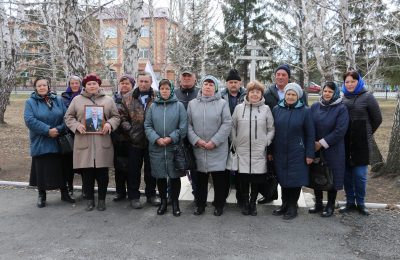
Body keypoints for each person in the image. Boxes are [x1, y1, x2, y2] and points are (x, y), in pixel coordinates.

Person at [64, 73, 120, 211]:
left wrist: (109, 125)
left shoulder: (108, 100)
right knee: (87, 174)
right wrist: (77, 126)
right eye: (89, 84)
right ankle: (90, 199)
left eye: (94, 83)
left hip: (102, 141)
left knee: (102, 174)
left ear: (98, 85)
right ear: (85, 86)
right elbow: (68, 117)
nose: (92, 86)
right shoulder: (77, 100)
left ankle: (101, 200)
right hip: (84, 142)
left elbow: (116, 117)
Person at [259, 64, 308, 205]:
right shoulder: (268, 94)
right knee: (273, 169)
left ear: (288, 77)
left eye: (284, 75)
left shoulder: (299, 94)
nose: (280, 77)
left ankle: (291, 203)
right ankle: (271, 194)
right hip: (275, 137)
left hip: (294, 139)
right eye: (278, 74)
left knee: (291, 173)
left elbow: (304, 116)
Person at [24, 76, 75, 208]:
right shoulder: (30, 102)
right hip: (41, 140)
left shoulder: (57, 100)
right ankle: (42, 195)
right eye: (39, 85)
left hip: (58, 139)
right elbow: (29, 120)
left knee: (61, 167)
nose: (42, 87)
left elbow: (66, 117)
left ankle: (65, 193)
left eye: (44, 85)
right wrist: (47, 130)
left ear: (48, 87)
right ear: (35, 87)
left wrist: (57, 130)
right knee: (41, 169)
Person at [339, 71, 382, 216]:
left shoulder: (368, 97)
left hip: (361, 143)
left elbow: (377, 119)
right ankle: (350, 202)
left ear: (359, 82)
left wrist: (367, 132)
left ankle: (361, 203)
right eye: (347, 82)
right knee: (346, 175)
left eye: (353, 81)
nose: (350, 84)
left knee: (360, 175)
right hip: (344, 142)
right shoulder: (342, 98)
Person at [187, 75, 232, 216]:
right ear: (201, 86)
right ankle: (200, 205)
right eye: (205, 84)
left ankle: (219, 205)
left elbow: (227, 123)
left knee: (219, 180)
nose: (208, 86)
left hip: (217, 148)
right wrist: (196, 140)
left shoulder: (222, 103)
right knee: (200, 180)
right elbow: (188, 125)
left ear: (216, 88)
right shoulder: (192, 104)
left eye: (211, 85)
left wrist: (215, 141)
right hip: (199, 148)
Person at [144, 79, 188, 216]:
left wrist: (171, 138)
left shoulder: (179, 106)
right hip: (157, 148)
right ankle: (163, 202)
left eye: (167, 89)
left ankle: (175, 203)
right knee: (161, 177)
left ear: (171, 90)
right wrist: (156, 139)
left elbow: (183, 127)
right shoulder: (152, 107)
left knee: (174, 177)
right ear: (159, 90)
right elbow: (147, 126)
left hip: (173, 147)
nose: (164, 91)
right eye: (162, 88)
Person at [231, 81, 275, 216]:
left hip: (258, 150)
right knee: (243, 178)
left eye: (258, 92)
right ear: (247, 93)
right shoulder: (239, 108)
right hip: (242, 150)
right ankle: (245, 202)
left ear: (261, 94)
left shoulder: (266, 109)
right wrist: (235, 141)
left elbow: (271, 128)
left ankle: (252, 203)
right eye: (252, 92)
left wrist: (266, 141)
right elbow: (232, 126)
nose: (255, 94)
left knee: (256, 179)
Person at [272, 83, 315, 220]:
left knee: (295, 179)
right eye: (288, 94)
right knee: (283, 178)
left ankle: (292, 206)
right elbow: (271, 131)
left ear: (298, 96)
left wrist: (309, 153)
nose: (290, 97)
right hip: (279, 151)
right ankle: (284, 204)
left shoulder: (305, 111)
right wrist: (270, 151)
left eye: (293, 95)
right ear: (284, 95)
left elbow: (310, 134)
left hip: (297, 151)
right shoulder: (276, 109)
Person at [120, 72, 160, 209]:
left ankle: (151, 195)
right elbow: (122, 117)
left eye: (146, 81)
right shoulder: (127, 97)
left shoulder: (157, 96)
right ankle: (134, 197)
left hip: (152, 140)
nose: (143, 84)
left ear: (150, 82)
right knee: (134, 170)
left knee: (151, 170)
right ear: (137, 82)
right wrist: (130, 129)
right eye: (141, 81)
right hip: (134, 140)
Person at [309, 82, 349, 217]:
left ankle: (330, 205)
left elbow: (340, 130)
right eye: (325, 91)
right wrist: (313, 142)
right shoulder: (314, 106)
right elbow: (309, 125)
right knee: (317, 175)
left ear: (335, 93)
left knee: (332, 176)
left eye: (330, 92)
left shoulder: (341, 108)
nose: (326, 94)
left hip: (333, 148)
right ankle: (318, 204)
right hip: (315, 148)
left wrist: (322, 143)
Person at [221, 69, 246, 207]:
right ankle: (222, 197)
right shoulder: (220, 96)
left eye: (235, 82)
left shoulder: (246, 96)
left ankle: (241, 198)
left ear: (240, 83)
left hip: (241, 137)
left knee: (240, 170)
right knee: (224, 170)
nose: (233, 85)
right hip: (225, 138)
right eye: (230, 82)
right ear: (227, 83)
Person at [174, 69, 199, 201]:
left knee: (196, 167)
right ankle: (171, 195)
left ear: (195, 79)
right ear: (180, 78)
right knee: (175, 166)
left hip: (196, 136)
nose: (187, 78)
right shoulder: (174, 93)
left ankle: (197, 193)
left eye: (189, 76)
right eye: (184, 76)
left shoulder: (200, 93)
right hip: (178, 136)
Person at [111, 75, 135, 202]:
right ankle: (120, 192)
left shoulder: (135, 99)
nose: (124, 85)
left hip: (132, 138)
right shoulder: (112, 99)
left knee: (131, 168)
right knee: (118, 167)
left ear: (132, 85)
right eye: (122, 83)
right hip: (117, 138)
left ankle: (131, 192)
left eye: (127, 83)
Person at [61, 75, 82, 196]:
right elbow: (62, 115)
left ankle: (86, 188)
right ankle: (70, 187)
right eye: (72, 83)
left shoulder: (84, 97)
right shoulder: (63, 98)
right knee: (68, 164)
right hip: (68, 135)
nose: (74, 85)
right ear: (69, 85)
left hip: (82, 133)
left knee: (83, 163)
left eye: (77, 83)